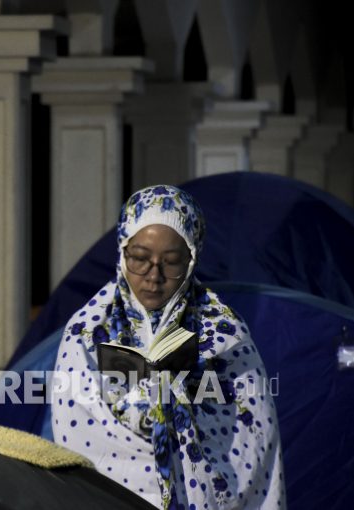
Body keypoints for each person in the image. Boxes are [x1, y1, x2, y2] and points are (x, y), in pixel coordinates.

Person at [50, 185, 285, 509]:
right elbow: (78, 436)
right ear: (122, 253)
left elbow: (254, 447)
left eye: (172, 261)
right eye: (140, 259)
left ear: (191, 261)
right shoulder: (87, 332)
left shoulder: (225, 334)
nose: (153, 275)